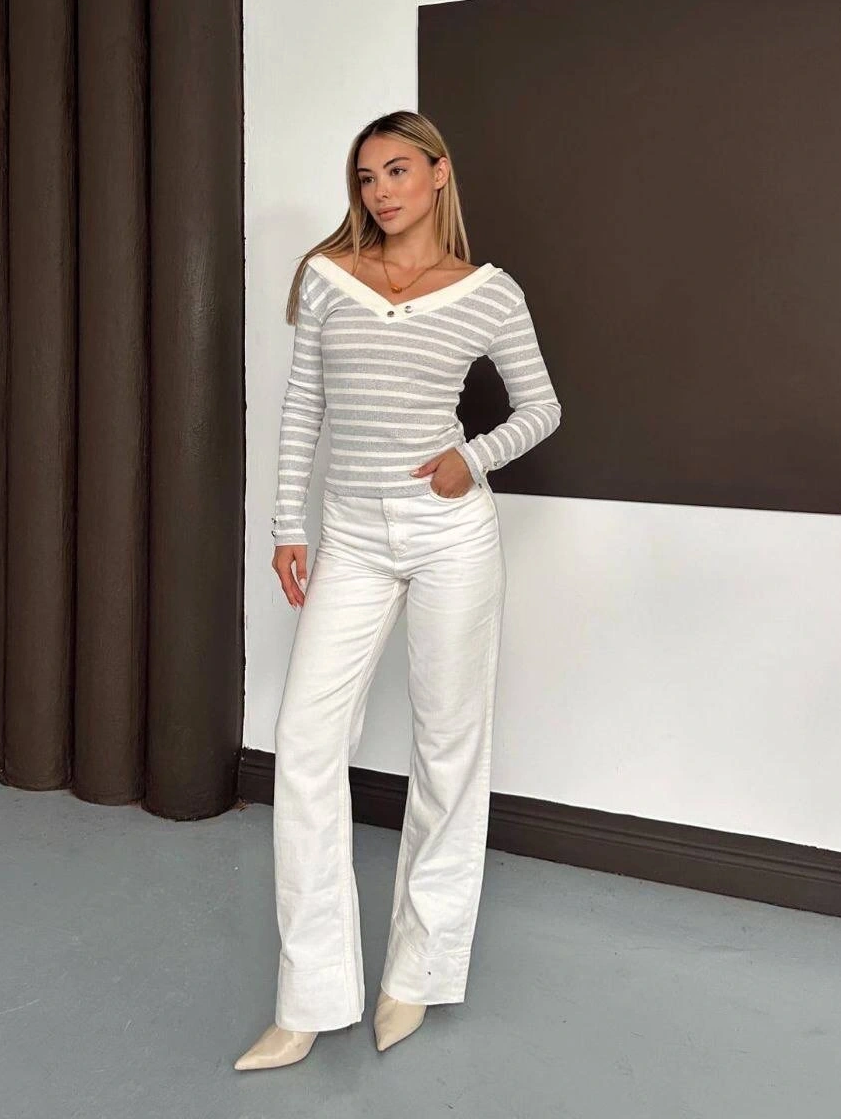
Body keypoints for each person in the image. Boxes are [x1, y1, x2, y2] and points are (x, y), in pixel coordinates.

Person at [235, 110, 562, 1071]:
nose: (380, 191)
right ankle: (309, 996)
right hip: (351, 536)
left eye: (398, 171)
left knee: (448, 749)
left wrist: (473, 458)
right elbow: (303, 405)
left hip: (451, 533)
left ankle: (416, 974)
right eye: (366, 176)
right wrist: (288, 526)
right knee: (305, 746)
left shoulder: (488, 293)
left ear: (439, 174)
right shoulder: (328, 277)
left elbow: (542, 406)